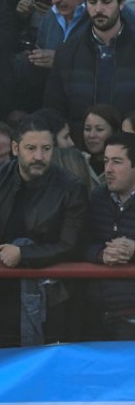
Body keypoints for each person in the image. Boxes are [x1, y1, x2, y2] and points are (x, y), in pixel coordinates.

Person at [0, 114, 88, 346]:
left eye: (46, 148)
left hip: (49, 297)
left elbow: (71, 245)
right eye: (31, 148)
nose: (39, 156)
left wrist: (23, 254)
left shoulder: (71, 188)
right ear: (15, 148)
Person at [46, 0, 135, 123]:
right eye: (92, 2)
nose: (98, 9)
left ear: (121, 4)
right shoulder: (67, 53)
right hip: (79, 142)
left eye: (106, 1)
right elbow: (53, 110)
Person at [86, 131, 135, 339]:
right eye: (106, 161)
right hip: (96, 313)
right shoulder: (97, 197)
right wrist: (101, 254)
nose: (108, 170)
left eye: (116, 162)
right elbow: (79, 243)